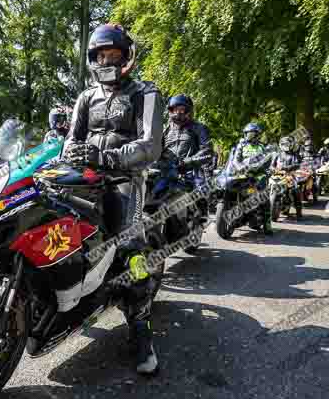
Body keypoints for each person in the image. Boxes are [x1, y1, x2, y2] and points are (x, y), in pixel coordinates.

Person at [62, 23, 163, 375]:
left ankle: (140, 328)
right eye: (100, 55)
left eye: (114, 55)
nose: (107, 61)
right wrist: (71, 155)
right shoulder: (85, 97)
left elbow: (151, 146)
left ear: (127, 58)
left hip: (125, 179)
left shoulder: (145, 93)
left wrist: (107, 158)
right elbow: (70, 142)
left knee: (131, 248)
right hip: (84, 178)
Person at [158, 94, 215, 215]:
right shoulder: (165, 129)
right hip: (167, 171)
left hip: (190, 172)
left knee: (200, 194)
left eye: (182, 109)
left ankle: (199, 218)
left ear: (188, 111)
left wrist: (188, 161)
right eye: (175, 109)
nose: (178, 113)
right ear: (170, 110)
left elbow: (207, 151)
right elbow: (154, 149)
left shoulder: (199, 128)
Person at [231, 122, 273, 234]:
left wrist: (256, 168)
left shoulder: (262, 147)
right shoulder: (241, 146)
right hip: (243, 174)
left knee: (264, 195)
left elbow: (266, 160)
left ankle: (267, 223)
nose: (249, 136)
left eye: (251, 134)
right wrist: (239, 167)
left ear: (257, 135)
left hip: (258, 175)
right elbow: (235, 159)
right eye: (247, 134)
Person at [270, 135, 303, 220]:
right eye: (284, 144)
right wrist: (272, 169)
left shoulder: (294, 155)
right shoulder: (277, 155)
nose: (285, 146)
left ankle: (299, 211)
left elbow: (297, 164)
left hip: (290, 175)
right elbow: (272, 165)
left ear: (291, 145)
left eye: (287, 144)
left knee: (295, 190)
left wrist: (288, 168)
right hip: (277, 175)